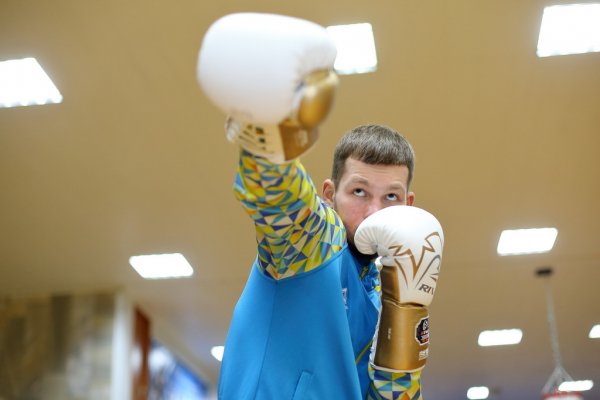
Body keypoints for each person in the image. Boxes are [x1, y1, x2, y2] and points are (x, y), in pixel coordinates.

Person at [197, 13, 444, 400]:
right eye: (359, 192)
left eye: (391, 197)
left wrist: (407, 311)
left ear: (409, 205)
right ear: (329, 194)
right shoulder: (313, 245)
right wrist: (269, 129)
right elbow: (279, 199)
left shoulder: (387, 290)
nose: (375, 212)